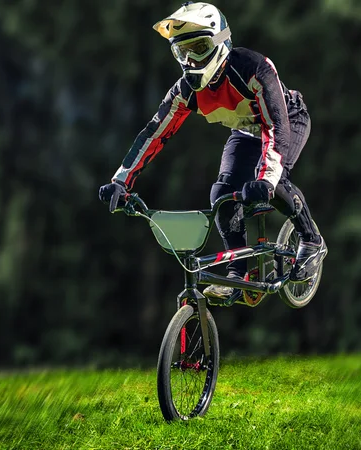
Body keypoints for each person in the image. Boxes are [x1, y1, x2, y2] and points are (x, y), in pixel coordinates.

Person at [99, 1, 327, 299]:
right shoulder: (185, 91)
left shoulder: (253, 68)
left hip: (287, 119)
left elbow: (276, 126)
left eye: (200, 47)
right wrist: (121, 181)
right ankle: (238, 269)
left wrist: (267, 178)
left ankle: (311, 241)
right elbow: (153, 134)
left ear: (221, 41)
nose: (192, 60)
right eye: (183, 52)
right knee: (222, 194)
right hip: (245, 131)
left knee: (276, 180)